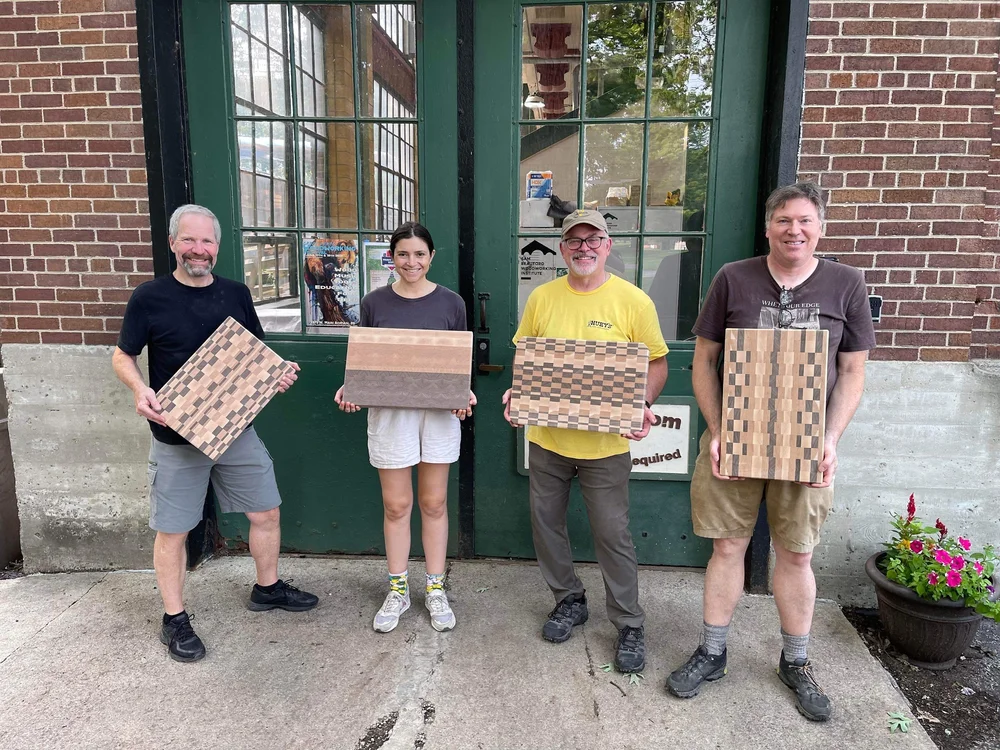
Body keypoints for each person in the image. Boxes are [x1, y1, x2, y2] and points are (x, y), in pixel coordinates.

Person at [665, 182, 876, 721]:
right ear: (768, 227)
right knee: (728, 549)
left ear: (820, 228)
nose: (794, 230)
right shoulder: (733, 278)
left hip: (807, 445)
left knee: (797, 553)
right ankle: (712, 651)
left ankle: (796, 660)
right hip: (733, 440)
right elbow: (703, 362)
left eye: (805, 220)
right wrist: (716, 432)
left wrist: (829, 441)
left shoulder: (846, 283)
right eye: (784, 220)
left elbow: (852, 370)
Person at [112, 204, 318, 663]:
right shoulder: (149, 297)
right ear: (172, 243)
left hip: (234, 429)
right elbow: (122, 356)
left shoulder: (237, 293)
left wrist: (277, 373)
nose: (198, 250)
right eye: (189, 240)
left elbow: (256, 355)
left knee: (266, 511)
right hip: (176, 435)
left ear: (218, 248)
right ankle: (174, 619)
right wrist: (139, 388)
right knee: (174, 531)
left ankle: (267, 589)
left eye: (207, 242)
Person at [502, 209, 669, 674]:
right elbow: (527, 357)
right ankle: (569, 599)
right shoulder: (542, 297)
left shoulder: (633, 301)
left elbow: (657, 363)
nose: (583, 247)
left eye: (592, 238)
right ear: (562, 248)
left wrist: (641, 404)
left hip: (606, 446)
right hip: (549, 439)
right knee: (545, 524)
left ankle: (629, 622)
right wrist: (518, 392)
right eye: (574, 240)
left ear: (607, 245)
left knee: (612, 534)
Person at [335, 221, 475, 634]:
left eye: (419, 254)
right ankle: (397, 589)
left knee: (433, 503)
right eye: (402, 254)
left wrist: (463, 394)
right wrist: (351, 385)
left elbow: (457, 362)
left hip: (437, 415)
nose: (411, 262)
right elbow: (369, 359)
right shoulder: (374, 302)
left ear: (432, 256)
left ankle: (434, 588)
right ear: (391, 258)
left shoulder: (452, 303)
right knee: (397, 506)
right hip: (390, 414)